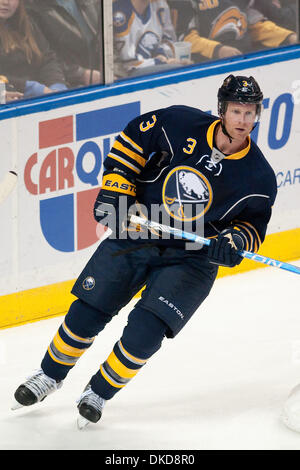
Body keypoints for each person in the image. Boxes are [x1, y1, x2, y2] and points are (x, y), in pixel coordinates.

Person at [12, 74, 277, 429]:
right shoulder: (180, 122)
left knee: (145, 333)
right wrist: (117, 189)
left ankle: (98, 393)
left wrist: (236, 242)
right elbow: (133, 140)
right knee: (87, 312)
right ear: (222, 110)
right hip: (141, 229)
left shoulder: (259, 177)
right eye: (236, 111)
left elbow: (253, 224)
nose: (243, 120)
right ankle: (49, 375)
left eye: (250, 112)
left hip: (192, 257)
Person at [168, 0, 297, 64]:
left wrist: (289, 37)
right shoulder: (184, 2)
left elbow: (255, 24)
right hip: (209, 66)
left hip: (246, 59)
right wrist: (218, 50)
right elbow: (185, 39)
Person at [0, 0, 67, 99]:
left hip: (41, 99)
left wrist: (57, 85)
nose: (6, 2)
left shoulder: (27, 23)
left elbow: (47, 60)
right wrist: (29, 88)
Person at [27, 0, 102, 88]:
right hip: (69, 87)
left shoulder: (90, 2)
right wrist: (82, 74)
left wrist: (112, 71)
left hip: (105, 79)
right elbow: (45, 59)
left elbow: (109, 40)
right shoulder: (33, 11)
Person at [113, 0, 191, 79]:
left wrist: (162, 55)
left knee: (187, 68)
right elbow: (128, 63)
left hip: (157, 64)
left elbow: (168, 39)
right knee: (180, 72)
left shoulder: (160, 5)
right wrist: (160, 62)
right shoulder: (118, 11)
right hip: (130, 74)